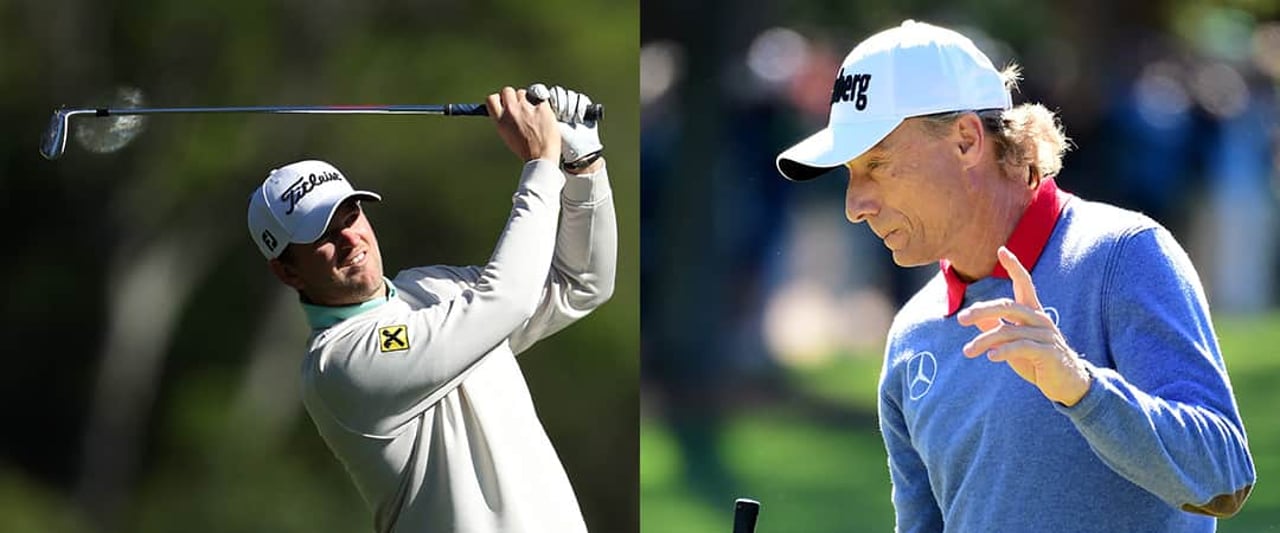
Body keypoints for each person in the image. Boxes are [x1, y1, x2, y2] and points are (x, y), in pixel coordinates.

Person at [776, 21, 1255, 532]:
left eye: (878, 164)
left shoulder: (1123, 256)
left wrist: (1080, 388)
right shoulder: (911, 337)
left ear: (965, 140)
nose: (855, 205)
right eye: (850, 173)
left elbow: (1222, 476)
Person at [245, 84, 615, 532]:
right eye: (322, 235)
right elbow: (506, 300)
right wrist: (541, 164)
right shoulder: (338, 366)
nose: (349, 239)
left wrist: (582, 166)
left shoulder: (433, 286)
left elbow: (579, 284)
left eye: (350, 217)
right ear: (287, 271)